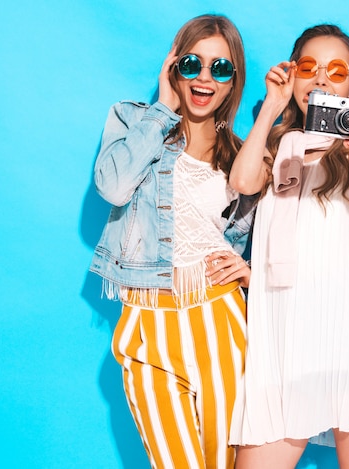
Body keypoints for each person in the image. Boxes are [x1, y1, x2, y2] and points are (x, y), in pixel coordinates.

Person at [221, 24, 349, 469]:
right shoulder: (280, 147)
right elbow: (242, 182)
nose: (320, 80)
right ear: (292, 75)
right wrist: (271, 109)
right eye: (308, 67)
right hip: (282, 347)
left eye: (336, 72)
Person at [89, 14, 254, 469]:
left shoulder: (241, 155)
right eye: (192, 63)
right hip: (147, 325)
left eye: (220, 69)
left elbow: (263, 237)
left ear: (233, 80)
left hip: (219, 319)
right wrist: (162, 110)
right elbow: (113, 186)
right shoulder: (133, 119)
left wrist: (251, 272)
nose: (205, 77)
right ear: (173, 66)